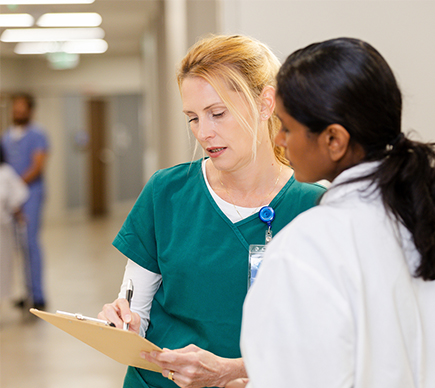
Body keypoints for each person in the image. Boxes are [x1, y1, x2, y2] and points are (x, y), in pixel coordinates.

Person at [98, 34, 326, 388]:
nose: (204, 133)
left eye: (218, 114)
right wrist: (124, 321)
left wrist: (236, 372)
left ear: (266, 104)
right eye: (193, 118)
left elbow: (320, 339)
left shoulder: (313, 207)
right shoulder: (166, 192)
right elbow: (135, 307)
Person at [236, 37, 435, 388]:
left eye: (287, 127)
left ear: (334, 140)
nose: (279, 139)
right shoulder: (418, 213)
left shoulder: (308, 246)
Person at [1, 93, 49, 309]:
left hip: (31, 195)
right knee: (12, 246)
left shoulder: (38, 135)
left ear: (30, 110)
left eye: (22, 109)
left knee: (30, 244)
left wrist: (14, 186)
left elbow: (38, 166)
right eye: (15, 108)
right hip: (8, 199)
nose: (18, 112)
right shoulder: (7, 137)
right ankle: (22, 292)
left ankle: (37, 295)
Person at [0, 144, 29, 302]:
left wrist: (19, 216)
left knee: (3, 267)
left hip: (3, 230)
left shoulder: (6, 173)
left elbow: (17, 196)